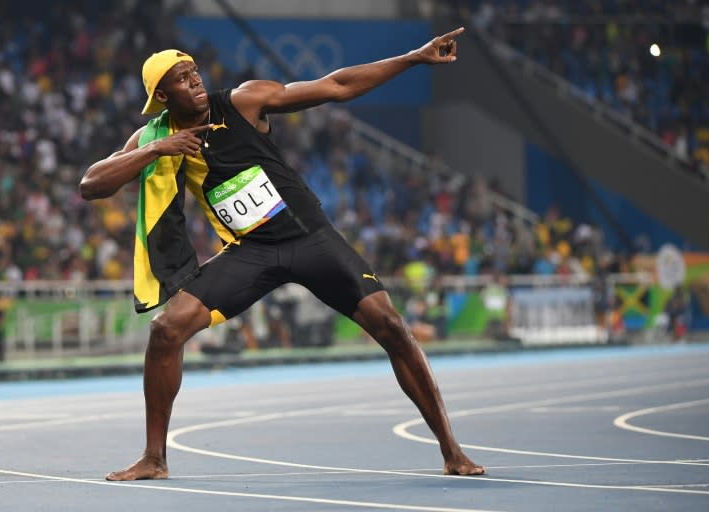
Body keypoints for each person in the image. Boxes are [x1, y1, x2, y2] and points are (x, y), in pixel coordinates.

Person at [80, 27, 485, 480]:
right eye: (181, 77)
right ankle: (154, 459)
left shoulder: (243, 101)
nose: (194, 80)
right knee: (166, 329)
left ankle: (452, 451)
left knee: (391, 325)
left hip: (310, 239)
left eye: (194, 70)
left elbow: (336, 86)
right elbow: (92, 185)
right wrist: (159, 147)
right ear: (161, 94)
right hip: (251, 252)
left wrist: (414, 57)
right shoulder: (155, 135)